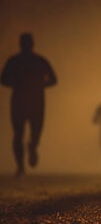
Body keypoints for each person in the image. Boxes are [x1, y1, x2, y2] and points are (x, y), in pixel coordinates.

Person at [1, 33, 57, 177]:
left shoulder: (14, 61)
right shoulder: (39, 60)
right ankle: (27, 154)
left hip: (22, 100)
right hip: (34, 100)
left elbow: (4, 79)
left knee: (20, 133)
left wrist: (19, 84)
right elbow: (53, 80)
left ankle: (22, 163)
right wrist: (40, 85)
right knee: (31, 131)